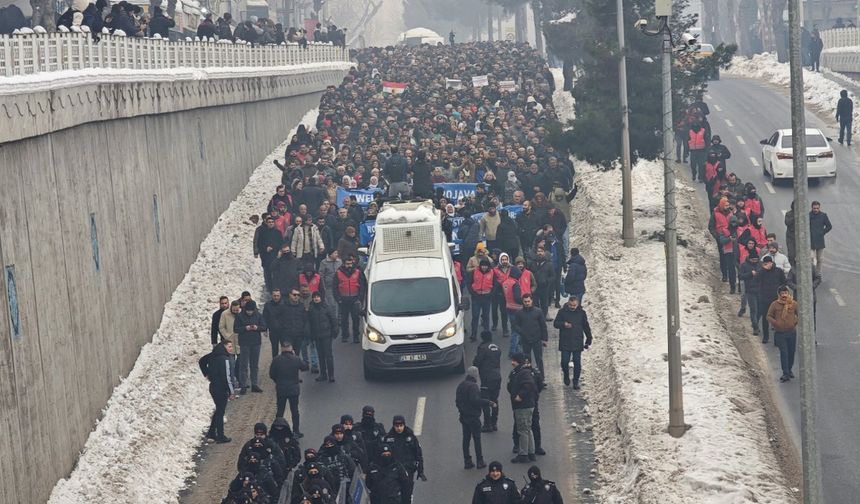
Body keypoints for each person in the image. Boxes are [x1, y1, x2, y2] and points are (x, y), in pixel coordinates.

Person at [456, 366, 495, 469]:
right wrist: (488, 402)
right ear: (475, 375)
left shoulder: (461, 385)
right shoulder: (473, 386)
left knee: (466, 439)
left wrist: (462, 410)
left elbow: (457, 401)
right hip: (473, 417)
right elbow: (475, 401)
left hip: (463, 416)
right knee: (477, 439)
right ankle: (480, 461)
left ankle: (467, 461)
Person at [383, 415, 426, 504]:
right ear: (393, 426)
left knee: (406, 493)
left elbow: (418, 453)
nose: (399, 428)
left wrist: (420, 470)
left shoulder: (410, 437)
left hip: (408, 469)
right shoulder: (388, 438)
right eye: (397, 426)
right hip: (394, 470)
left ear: (404, 425)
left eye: (401, 426)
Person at [198, 340, 235, 443]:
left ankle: (211, 433)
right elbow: (227, 377)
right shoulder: (225, 359)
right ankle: (220, 436)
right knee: (220, 412)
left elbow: (201, 361)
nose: (231, 349)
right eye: (229, 346)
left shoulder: (213, 355)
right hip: (221, 389)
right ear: (224, 347)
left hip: (213, 387)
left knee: (218, 410)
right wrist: (231, 392)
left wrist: (206, 373)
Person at [269, 342, 309, 437]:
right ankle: (296, 431)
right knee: (295, 411)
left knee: (280, 411)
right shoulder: (296, 359)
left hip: (281, 388)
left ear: (281, 348)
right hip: (293, 389)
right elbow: (305, 367)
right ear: (291, 348)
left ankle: (278, 430)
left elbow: (271, 374)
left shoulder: (276, 360)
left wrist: (278, 381)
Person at [553, 296, 592, 388]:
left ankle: (575, 381)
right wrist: (563, 324)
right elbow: (555, 323)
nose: (572, 307)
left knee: (577, 362)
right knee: (564, 362)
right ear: (568, 303)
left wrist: (589, 338)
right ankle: (566, 375)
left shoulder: (582, 313)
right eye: (570, 305)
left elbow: (586, 326)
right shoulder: (562, 312)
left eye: (574, 305)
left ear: (578, 304)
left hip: (577, 340)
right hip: (565, 340)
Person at [507, 352, 537, 463]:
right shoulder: (521, 371)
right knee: (527, 429)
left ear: (518, 361)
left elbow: (529, 385)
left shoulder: (522, 373)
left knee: (522, 430)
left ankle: (523, 454)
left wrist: (520, 396)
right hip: (526, 405)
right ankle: (531, 452)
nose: (512, 362)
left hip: (523, 406)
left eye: (514, 360)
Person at [234, 300, 268, 394]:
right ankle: (243, 385)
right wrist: (245, 328)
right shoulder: (240, 316)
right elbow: (236, 329)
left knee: (254, 365)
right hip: (244, 343)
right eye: (248, 310)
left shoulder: (258, 315)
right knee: (243, 365)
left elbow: (264, 327)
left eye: (251, 311)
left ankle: (254, 384)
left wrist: (257, 328)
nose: (250, 312)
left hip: (256, 343)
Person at [767, 286, 799, 382]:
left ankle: (789, 370)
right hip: (780, 333)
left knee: (791, 352)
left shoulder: (793, 304)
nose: (784, 295)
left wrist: (794, 323)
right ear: (779, 295)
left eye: (786, 293)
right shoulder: (775, 304)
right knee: (784, 353)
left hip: (791, 332)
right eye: (782, 293)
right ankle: (785, 373)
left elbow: (799, 314)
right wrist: (776, 323)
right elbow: (768, 316)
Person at [473, 330, 502, 432]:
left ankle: (487, 424)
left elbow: (477, 362)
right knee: (495, 400)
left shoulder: (483, 348)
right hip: (497, 376)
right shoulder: (497, 348)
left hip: (486, 378)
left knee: (485, 401)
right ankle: (494, 423)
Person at [512, 294, 548, 374]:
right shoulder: (519, 313)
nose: (527, 303)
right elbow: (515, 325)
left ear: (532, 301)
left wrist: (545, 339)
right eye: (525, 302)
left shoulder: (538, 311)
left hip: (537, 339)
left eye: (528, 301)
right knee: (527, 360)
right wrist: (521, 332)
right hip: (525, 340)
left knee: (539, 360)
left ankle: (541, 378)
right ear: (523, 302)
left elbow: (543, 325)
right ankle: (529, 376)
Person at [334, 254, 366, 343]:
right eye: (347, 264)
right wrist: (338, 299)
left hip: (354, 298)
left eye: (350, 263)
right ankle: (345, 336)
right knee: (344, 320)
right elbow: (335, 287)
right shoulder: (338, 272)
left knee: (356, 319)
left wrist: (359, 298)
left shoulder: (358, 272)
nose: (349, 265)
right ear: (344, 264)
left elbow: (362, 286)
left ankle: (356, 336)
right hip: (343, 299)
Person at [755, 256, 786, 345]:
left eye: (769, 263)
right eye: (765, 264)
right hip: (764, 299)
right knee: (766, 318)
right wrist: (763, 270)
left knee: (777, 319)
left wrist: (781, 292)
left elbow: (783, 282)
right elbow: (756, 279)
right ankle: (766, 336)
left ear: (772, 263)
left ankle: (777, 340)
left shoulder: (778, 271)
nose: (768, 265)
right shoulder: (761, 272)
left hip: (776, 299)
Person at [309, 291, 337, 382]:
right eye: (314, 297)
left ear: (321, 298)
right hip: (317, 336)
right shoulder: (311, 309)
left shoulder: (326, 308)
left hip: (326, 335)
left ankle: (331, 375)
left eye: (318, 296)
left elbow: (333, 320)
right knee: (320, 356)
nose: (316, 298)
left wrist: (334, 332)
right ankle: (323, 374)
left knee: (328, 356)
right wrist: (311, 336)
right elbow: (309, 324)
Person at [468, 258, 495, 341]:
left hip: (487, 297)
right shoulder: (474, 271)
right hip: (476, 297)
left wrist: (491, 294)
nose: (484, 267)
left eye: (486, 266)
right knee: (475, 316)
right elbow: (469, 283)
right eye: (482, 265)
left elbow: (495, 284)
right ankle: (473, 335)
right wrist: (473, 293)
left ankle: (487, 335)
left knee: (486, 317)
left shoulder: (492, 272)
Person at [738, 253, 762, 335]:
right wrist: (750, 274)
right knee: (753, 309)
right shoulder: (744, 265)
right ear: (750, 258)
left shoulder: (760, 264)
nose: (755, 261)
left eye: (756, 259)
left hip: (760, 290)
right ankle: (755, 327)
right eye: (753, 259)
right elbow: (740, 276)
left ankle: (756, 323)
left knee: (760, 310)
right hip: (750, 290)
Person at [809, 201, 832, 276]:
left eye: (817, 208)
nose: (816, 210)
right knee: (811, 257)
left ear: (819, 208)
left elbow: (829, 226)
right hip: (810, 241)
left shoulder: (823, 215)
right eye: (814, 208)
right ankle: (812, 271)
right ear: (812, 208)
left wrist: (822, 232)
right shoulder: (808, 215)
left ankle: (818, 273)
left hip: (820, 241)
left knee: (820, 259)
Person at [263, 289, 287, 358]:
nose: (276, 297)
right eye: (274, 296)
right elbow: (265, 317)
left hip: (284, 331)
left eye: (277, 296)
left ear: (280, 296)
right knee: (274, 349)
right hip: (273, 331)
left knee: (285, 349)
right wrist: (265, 329)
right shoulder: (267, 305)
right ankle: (275, 365)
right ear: (272, 296)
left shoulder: (285, 304)